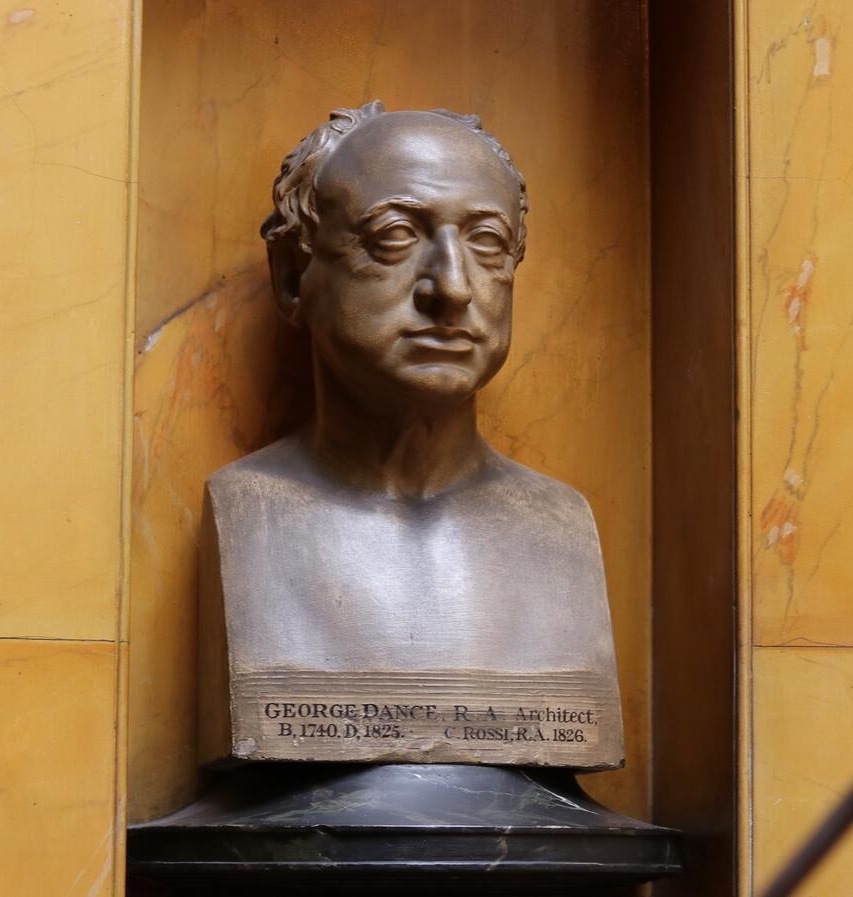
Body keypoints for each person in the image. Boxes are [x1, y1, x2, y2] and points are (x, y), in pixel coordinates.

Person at [200, 102, 622, 766]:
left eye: (487, 241)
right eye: (394, 235)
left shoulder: (561, 526)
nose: (452, 287)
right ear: (291, 277)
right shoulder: (250, 513)